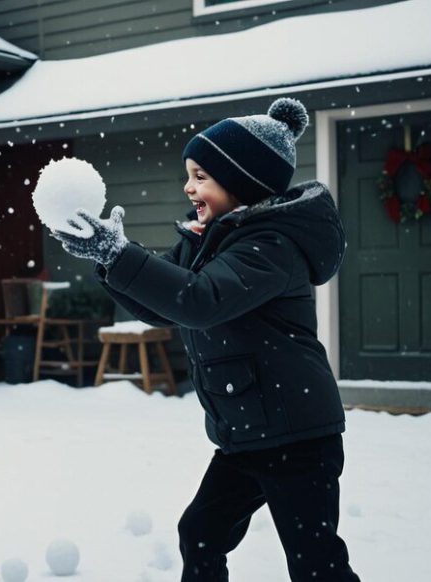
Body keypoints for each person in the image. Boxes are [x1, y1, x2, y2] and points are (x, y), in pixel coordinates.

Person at [52, 98, 360, 582]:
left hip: (298, 436)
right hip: (245, 436)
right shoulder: (210, 239)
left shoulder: (271, 247)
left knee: (315, 564)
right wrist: (111, 262)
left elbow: (198, 300)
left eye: (200, 176)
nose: (188, 187)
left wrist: (121, 252)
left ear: (242, 181)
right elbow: (165, 307)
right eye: (188, 174)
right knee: (201, 533)